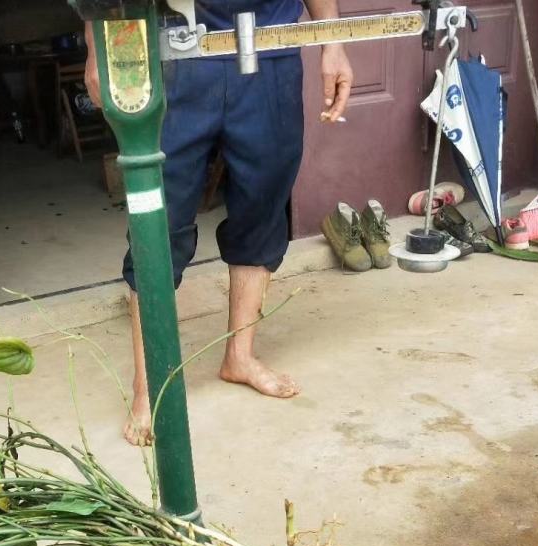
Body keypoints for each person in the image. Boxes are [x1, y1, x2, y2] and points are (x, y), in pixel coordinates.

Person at [82, 1, 352, 445]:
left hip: (271, 51)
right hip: (169, 54)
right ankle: (149, 385)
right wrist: (98, 44)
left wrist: (333, 40)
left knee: (263, 206)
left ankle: (239, 357)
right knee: (157, 221)